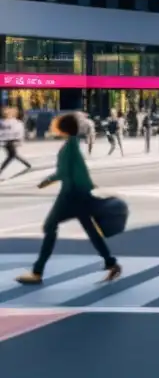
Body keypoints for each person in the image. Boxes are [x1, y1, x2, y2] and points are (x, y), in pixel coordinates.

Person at [14, 112, 121, 285]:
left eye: (56, 124)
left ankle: (37, 272)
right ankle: (111, 263)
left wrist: (46, 181)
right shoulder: (72, 144)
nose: (52, 126)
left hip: (71, 195)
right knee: (90, 230)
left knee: (50, 226)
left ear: (63, 128)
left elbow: (64, 172)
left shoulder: (69, 147)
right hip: (79, 194)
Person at [0, 107, 32, 177]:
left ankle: (27, 165)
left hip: (10, 140)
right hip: (8, 140)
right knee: (12, 155)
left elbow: (19, 131)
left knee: (12, 154)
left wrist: (19, 139)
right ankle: (1, 169)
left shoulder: (14, 122)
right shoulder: (4, 122)